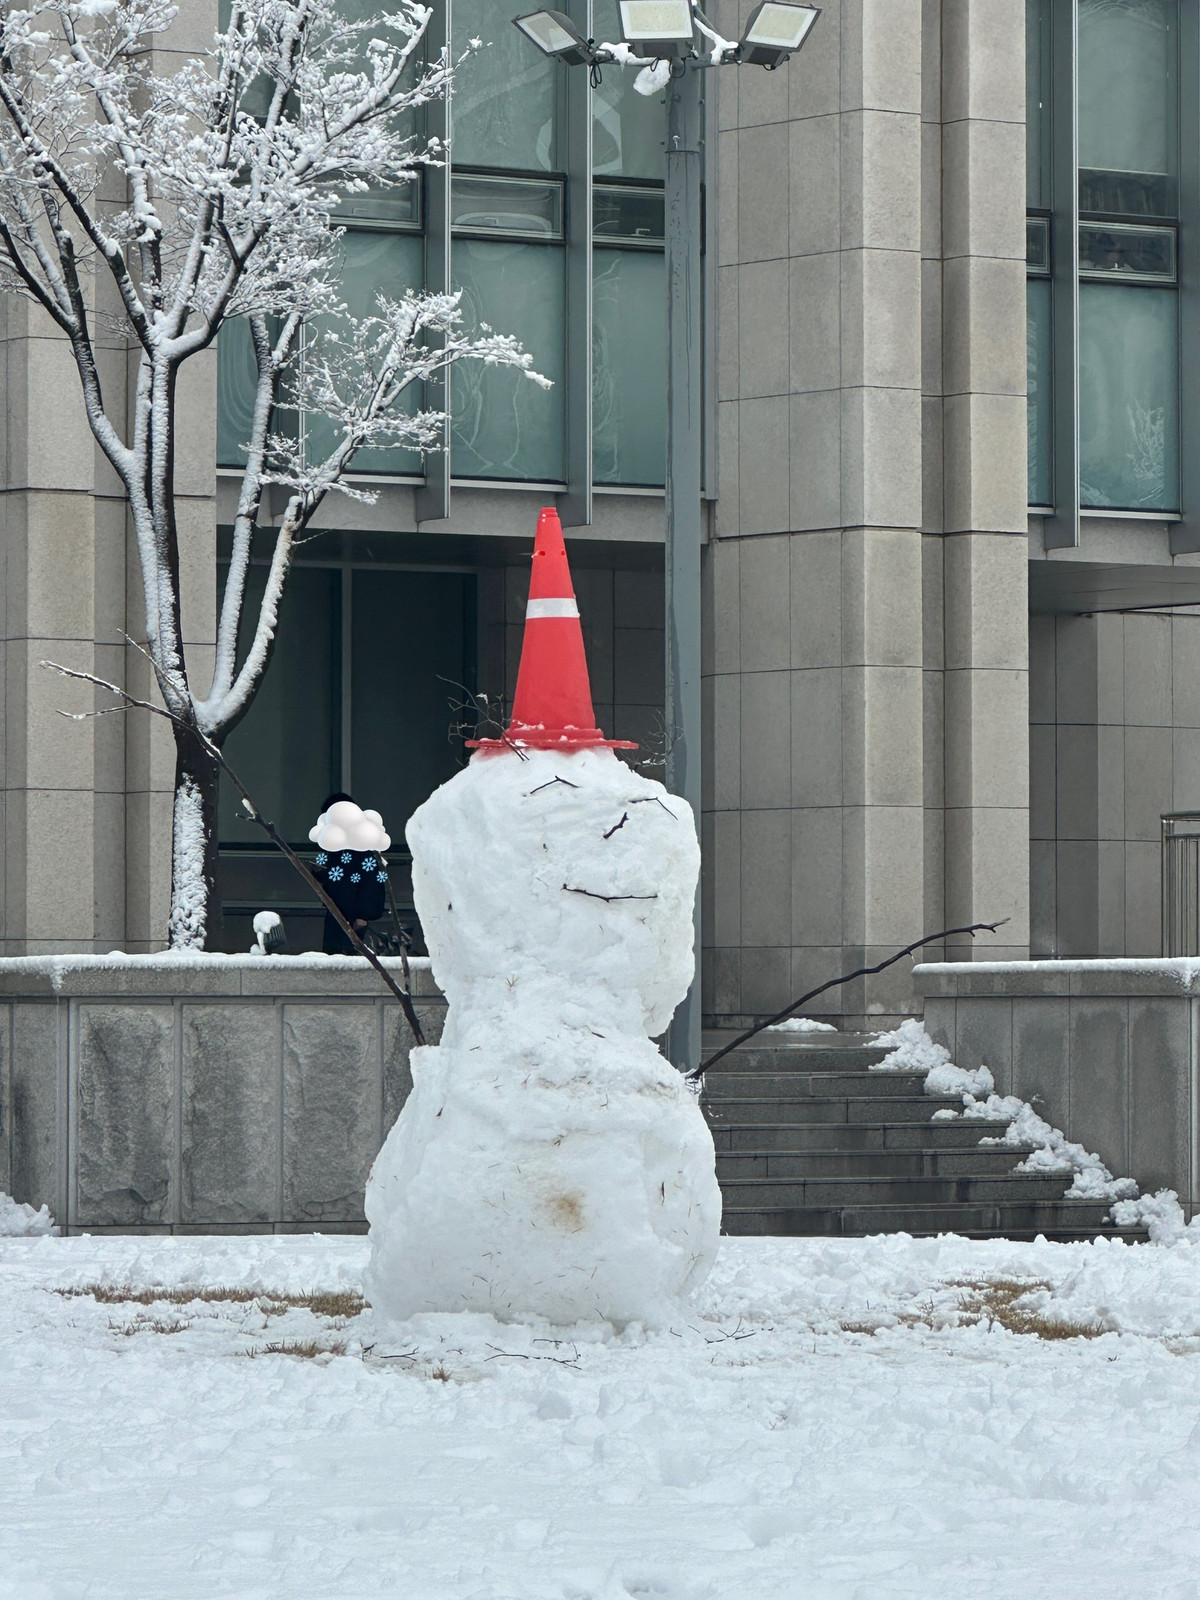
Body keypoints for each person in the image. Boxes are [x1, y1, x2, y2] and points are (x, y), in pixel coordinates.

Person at [311, 791, 389, 954]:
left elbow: (370, 881)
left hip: (351, 913)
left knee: (345, 957)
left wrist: (362, 915)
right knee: (335, 956)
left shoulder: (360, 843)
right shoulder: (341, 842)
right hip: (338, 909)